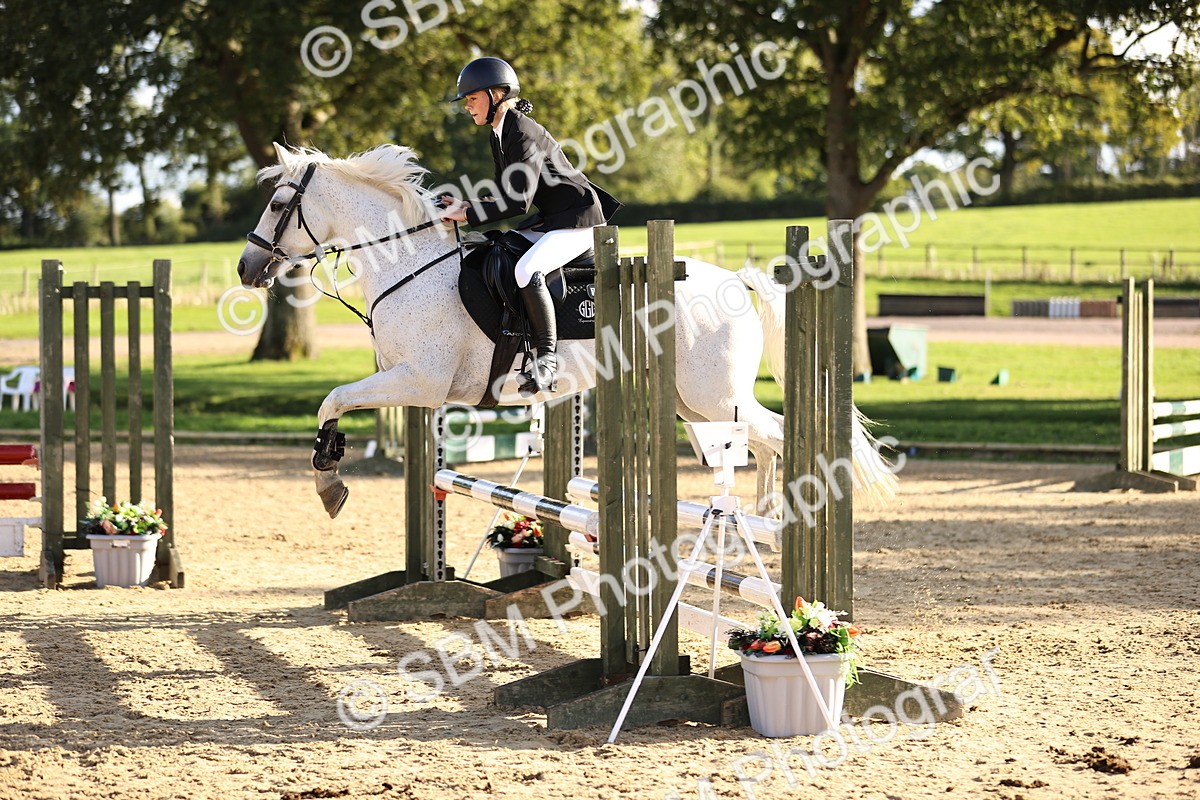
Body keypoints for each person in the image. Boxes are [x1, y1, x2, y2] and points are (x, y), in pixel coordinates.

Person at [440, 56, 621, 396]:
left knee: (526, 270)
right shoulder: (500, 132)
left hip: (578, 221)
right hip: (553, 220)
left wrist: (467, 216)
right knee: (499, 248)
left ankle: (547, 360)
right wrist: (467, 206)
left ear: (496, 94)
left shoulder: (521, 131)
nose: (467, 106)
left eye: (472, 98)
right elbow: (503, 192)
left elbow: (518, 201)